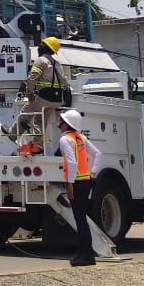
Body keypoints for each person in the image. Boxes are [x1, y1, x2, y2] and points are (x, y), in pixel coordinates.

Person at [59, 109, 101, 266]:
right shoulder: (80, 138)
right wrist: (93, 173)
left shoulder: (65, 140)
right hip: (85, 182)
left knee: (80, 221)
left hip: (76, 183)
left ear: (66, 124)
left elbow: (71, 163)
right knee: (81, 219)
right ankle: (83, 254)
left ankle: (87, 256)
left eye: (61, 121)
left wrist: (70, 185)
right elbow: (98, 154)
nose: (58, 123)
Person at [19, 37, 65, 145]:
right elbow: (64, 82)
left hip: (44, 97)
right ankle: (38, 145)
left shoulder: (40, 61)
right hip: (57, 100)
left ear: (44, 47)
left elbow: (32, 79)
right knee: (40, 120)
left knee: (25, 113)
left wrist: (29, 93)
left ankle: (12, 134)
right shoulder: (57, 64)